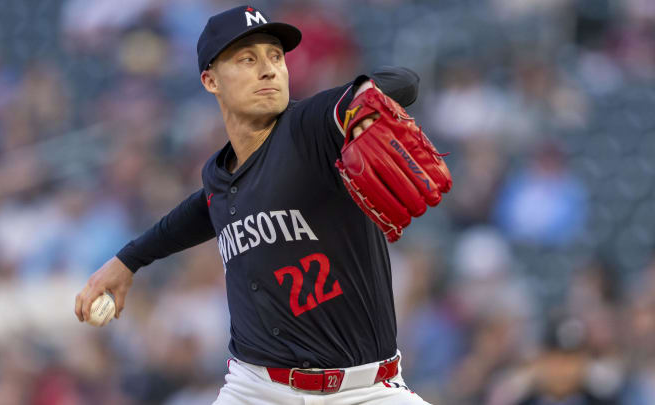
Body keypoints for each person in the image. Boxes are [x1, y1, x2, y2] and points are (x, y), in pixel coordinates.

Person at [75, 5, 437, 404]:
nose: (268, 69)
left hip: (365, 390)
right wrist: (127, 261)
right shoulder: (219, 173)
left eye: (275, 57)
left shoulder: (311, 127)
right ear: (210, 80)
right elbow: (202, 209)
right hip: (256, 388)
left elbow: (404, 82)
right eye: (248, 59)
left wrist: (362, 105)